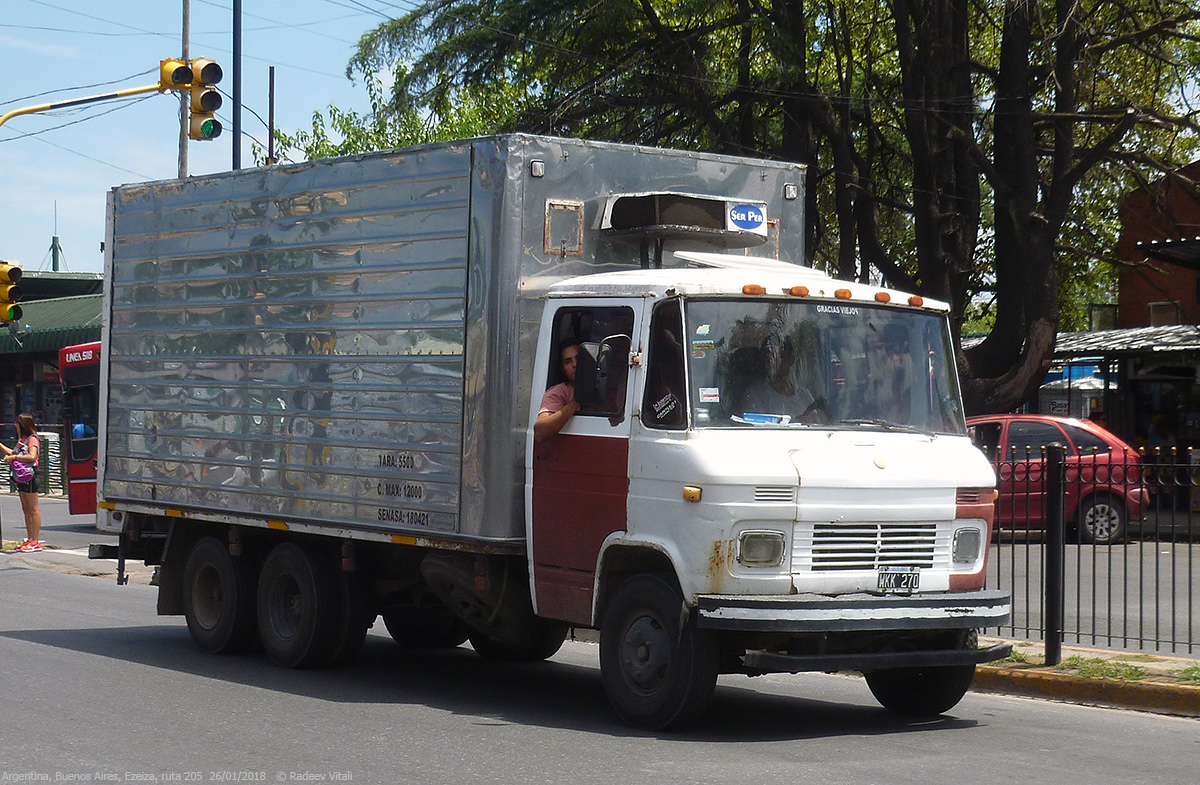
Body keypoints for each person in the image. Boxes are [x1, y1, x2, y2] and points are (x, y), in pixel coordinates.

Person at [2, 413, 44, 552]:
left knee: (33, 509)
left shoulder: (32, 439)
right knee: (26, 509)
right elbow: (13, 452)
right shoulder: (21, 439)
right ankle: (30, 539)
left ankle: (35, 541)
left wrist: (14, 457)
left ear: (23, 425)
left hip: (30, 476)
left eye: (17, 423)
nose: (15, 426)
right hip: (20, 477)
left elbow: (32, 456)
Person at [534, 342, 581, 443]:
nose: (575, 364)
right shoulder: (559, 392)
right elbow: (540, 432)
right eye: (568, 361)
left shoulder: (606, 386)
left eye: (578, 358)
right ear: (563, 370)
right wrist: (577, 401)